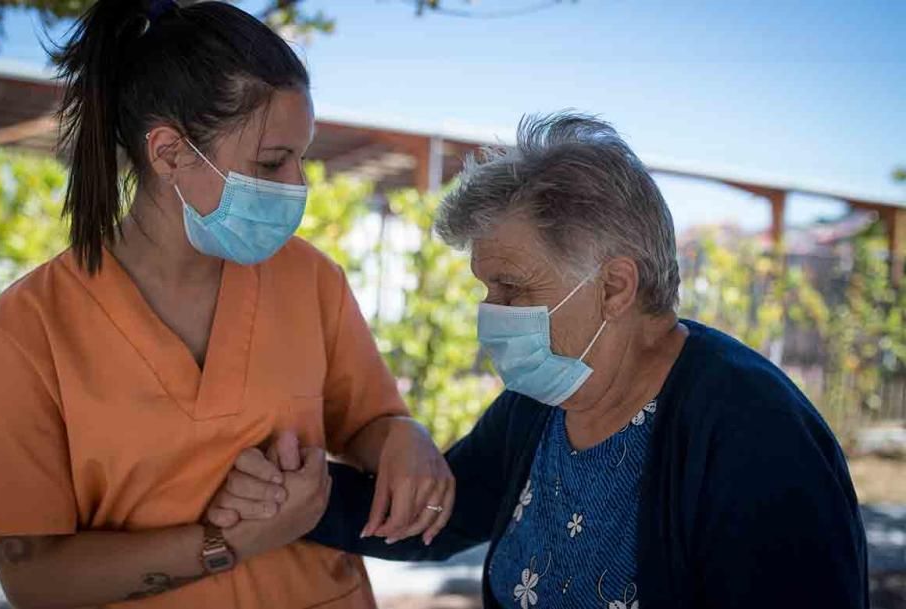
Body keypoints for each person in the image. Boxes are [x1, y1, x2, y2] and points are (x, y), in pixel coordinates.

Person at [209, 112, 870, 608]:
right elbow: (433, 515)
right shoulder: (544, 402)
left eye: (513, 287)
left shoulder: (753, 432)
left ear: (615, 285)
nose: (490, 312)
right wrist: (307, 497)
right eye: (485, 287)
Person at [0, 1, 453, 607]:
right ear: (169, 154)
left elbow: (367, 421)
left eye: (301, 158)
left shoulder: (310, 279)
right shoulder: (28, 328)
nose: (298, 186)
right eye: (271, 161)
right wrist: (228, 542)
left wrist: (403, 438)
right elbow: (33, 577)